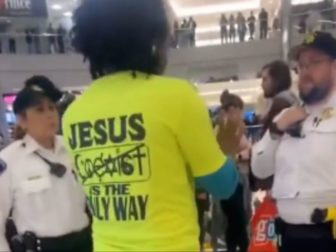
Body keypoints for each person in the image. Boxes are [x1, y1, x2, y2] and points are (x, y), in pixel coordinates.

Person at [63, 0, 240, 251]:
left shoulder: (74, 114)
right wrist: (226, 150)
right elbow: (222, 186)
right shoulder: (177, 97)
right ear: (152, 42)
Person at [252, 31, 336, 252]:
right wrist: (276, 130)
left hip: (328, 235)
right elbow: (259, 169)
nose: (305, 72)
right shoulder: (286, 116)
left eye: (314, 63)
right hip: (288, 236)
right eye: (301, 65)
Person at [0, 76, 92, 252]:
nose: (50, 114)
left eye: (52, 108)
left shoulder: (74, 148)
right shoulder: (9, 160)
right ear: (22, 120)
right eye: (39, 110)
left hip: (84, 244)